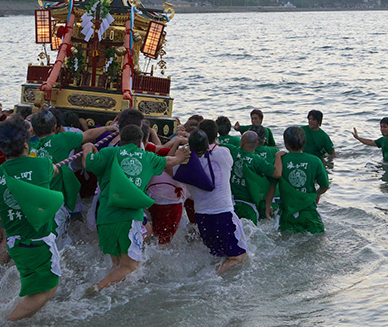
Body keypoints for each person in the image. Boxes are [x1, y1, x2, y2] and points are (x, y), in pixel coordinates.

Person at [82, 124, 188, 292]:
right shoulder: (147, 157)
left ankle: (111, 294)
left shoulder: (109, 153)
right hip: (128, 219)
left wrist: (87, 147)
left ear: (121, 140)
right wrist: (181, 155)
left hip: (104, 217)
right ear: (141, 141)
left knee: (116, 263)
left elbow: (88, 163)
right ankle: (96, 289)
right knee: (130, 266)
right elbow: (170, 161)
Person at [0, 116, 62, 321]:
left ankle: (18, 317)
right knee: (45, 292)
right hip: (37, 243)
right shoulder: (42, 164)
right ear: (26, 143)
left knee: (42, 289)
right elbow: (55, 171)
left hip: (15, 242)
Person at [31, 109, 117, 246]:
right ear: (55, 127)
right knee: (55, 243)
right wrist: (108, 128)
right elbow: (88, 135)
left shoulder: (29, 146)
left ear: (33, 131)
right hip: (55, 201)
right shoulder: (62, 139)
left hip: (33, 202)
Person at [175, 125, 250, 273]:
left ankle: (208, 275)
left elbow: (173, 168)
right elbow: (217, 147)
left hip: (202, 218)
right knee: (238, 257)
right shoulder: (223, 154)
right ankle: (207, 276)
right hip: (223, 215)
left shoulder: (181, 166)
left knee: (217, 255)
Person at [269, 126, 330, 235]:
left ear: (286, 143)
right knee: (317, 242)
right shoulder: (315, 161)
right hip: (309, 212)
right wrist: (317, 194)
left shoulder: (280, 161)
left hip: (287, 214)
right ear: (304, 143)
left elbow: (272, 186)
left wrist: (267, 206)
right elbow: (325, 185)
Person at [230, 131, 284, 224]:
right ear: (257, 144)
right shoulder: (257, 160)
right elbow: (277, 173)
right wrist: (278, 156)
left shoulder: (233, 151)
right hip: (248, 205)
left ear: (241, 141)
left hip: (232, 203)